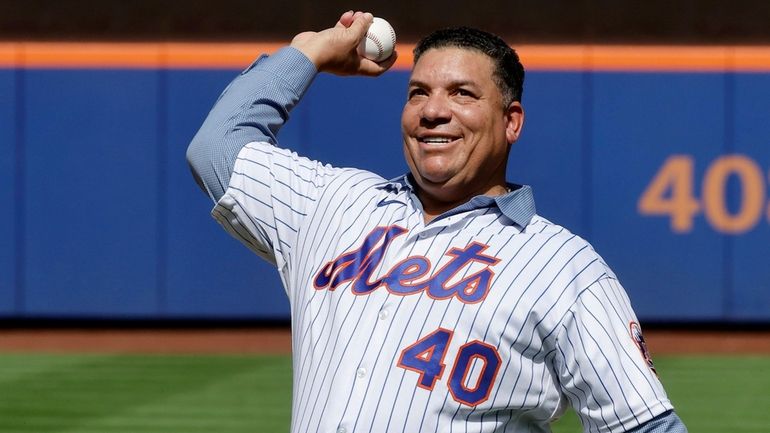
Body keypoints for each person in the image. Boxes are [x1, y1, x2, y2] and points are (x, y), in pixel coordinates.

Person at [187, 11, 688, 433]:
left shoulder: (563, 268)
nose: (433, 111)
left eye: (462, 94)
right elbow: (216, 149)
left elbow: (645, 425)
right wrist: (308, 53)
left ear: (511, 121)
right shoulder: (333, 205)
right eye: (418, 92)